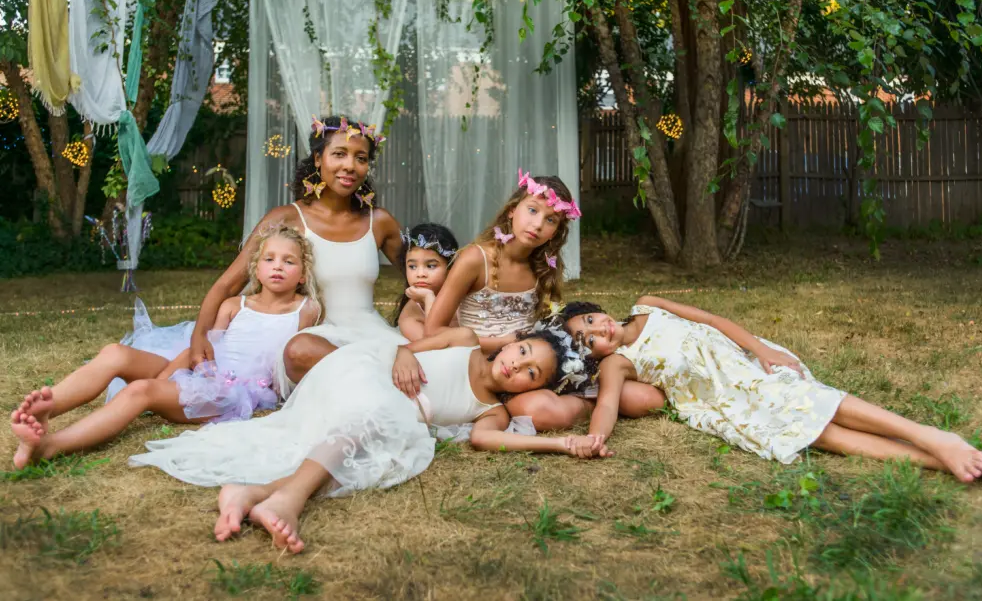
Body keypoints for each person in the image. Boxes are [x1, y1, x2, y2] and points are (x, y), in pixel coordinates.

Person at [129, 326, 600, 553]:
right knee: (380, 416)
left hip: (379, 413)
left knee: (379, 435)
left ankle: (255, 491)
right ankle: (284, 501)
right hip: (364, 371)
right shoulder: (467, 341)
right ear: (510, 344)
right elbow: (406, 346)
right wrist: (399, 354)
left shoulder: (491, 411)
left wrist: (560, 445)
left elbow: (487, 441)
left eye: (529, 371)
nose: (515, 365)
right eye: (521, 351)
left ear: (532, 387)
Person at [557, 298, 982, 490]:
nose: (597, 333)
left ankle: (931, 435)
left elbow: (714, 322)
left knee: (817, 404)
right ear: (594, 357)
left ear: (599, 310)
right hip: (726, 402)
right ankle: (946, 460)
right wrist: (594, 439)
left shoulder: (648, 304)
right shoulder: (619, 364)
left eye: (590, 322)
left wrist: (761, 350)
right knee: (819, 434)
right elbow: (611, 404)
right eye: (586, 341)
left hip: (750, 369)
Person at [10, 227, 322, 468]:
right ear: (256, 268)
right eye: (269, 259)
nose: (277, 266)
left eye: (288, 261)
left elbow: (303, 360)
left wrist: (156, 389)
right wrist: (169, 379)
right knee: (115, 353)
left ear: (303, 274)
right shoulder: (233, 305)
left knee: (140, 391)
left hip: (232, 392)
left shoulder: (306, 310)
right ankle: (49, 408)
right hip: (202, 370)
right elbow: (199, 353)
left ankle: (50, 447)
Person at [421, 169, 664, 430]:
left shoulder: (542, 269)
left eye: (551, 220)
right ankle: (590, 401)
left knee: (645, 399)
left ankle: (611, 382)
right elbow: (433, 331)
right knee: (543, 412)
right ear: (513, 210)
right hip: (493, 367)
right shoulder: (475, 258)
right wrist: (505, 342)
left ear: (556, 232)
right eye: (533, 210)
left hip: (535, 362)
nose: (537, 225)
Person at [186, 115, 409, 400]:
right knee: (304, 352)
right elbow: (227, 285)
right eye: (339, 154)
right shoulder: (287, 218)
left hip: (370, 334)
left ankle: (372, 380)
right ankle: (374, 382)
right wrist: (199, 337)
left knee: (431, 367)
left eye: (361, 158)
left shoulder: (379, 222)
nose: (350, 166)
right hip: (315, 339)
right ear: (318, 158)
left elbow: (424, 276)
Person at [391, 223, 460, 340]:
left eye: (431, 266)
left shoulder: (464, 297)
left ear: (450, 267)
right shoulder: (409, 315)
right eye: (412, 266)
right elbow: (435, 344)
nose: (420, 274)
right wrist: (428, 298)